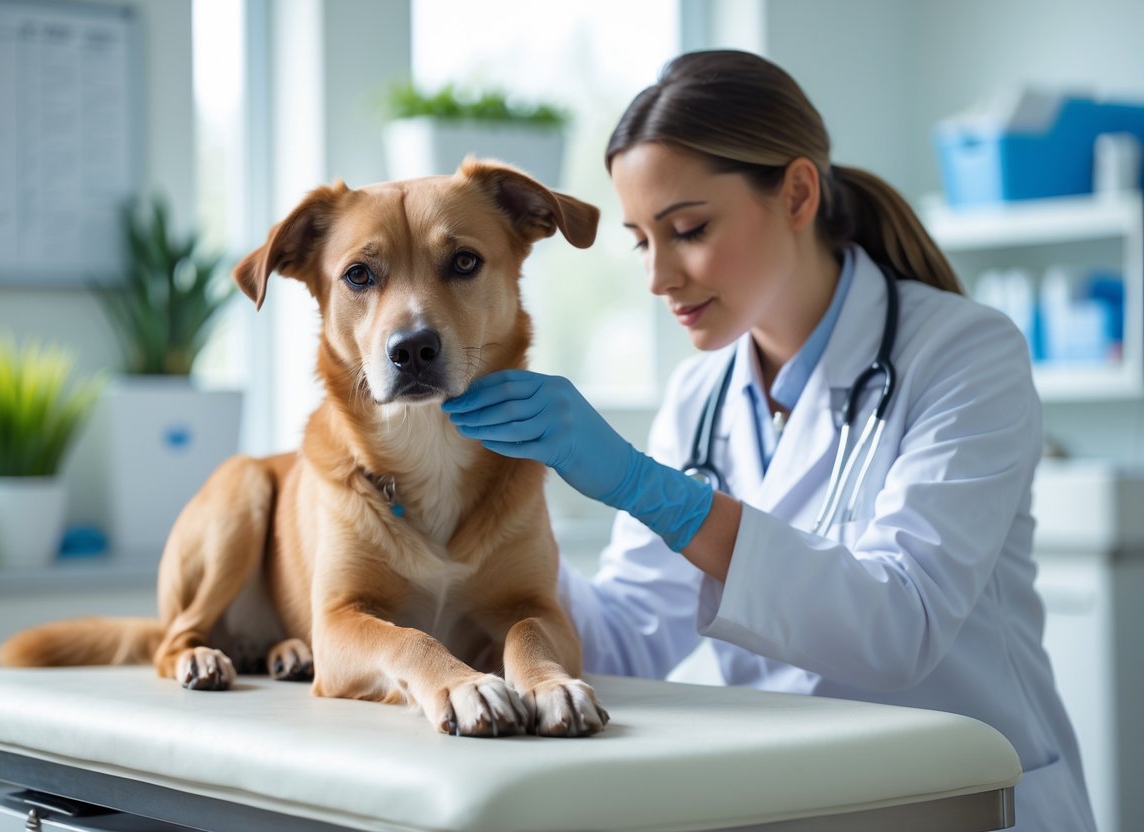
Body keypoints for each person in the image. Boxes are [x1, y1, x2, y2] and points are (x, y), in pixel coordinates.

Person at [442, 50, 1094, 831]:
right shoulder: (701, 393)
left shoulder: (964, 354)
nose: (658, 279)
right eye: (641, 241)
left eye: (687, 229)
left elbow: (899, 626)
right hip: (792, 802)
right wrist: (504, 513)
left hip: (959, 802)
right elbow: (625, 640)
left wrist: (648, 488)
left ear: (795, 193)